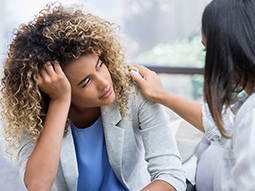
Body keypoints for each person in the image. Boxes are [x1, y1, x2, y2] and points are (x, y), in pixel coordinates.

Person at [0, 3, 186, 191]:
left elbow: (171, 175)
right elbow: (37, 186)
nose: (105, 82)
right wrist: (60, 101)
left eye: (100, 65)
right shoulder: (36, 114)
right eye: (86, 82)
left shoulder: (133, 92)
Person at [129, 0, 255, 190]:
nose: (209, 61)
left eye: (208, 50)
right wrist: (160, 95)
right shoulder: (245, 112)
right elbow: (224, 124)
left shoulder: (250, 116)